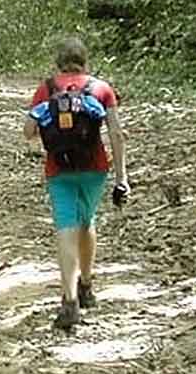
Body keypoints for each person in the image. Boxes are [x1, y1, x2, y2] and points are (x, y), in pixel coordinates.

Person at [23, 37, 129, 330]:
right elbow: (117, 135)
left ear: (58, 63)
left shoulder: (47, 88)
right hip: (95, 168)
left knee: (66, 228)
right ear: (86, 61)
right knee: (87, 220)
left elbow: (29, 131)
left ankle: (69, 301)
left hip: (59, 169)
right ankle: (86, 284)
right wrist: (122, 179)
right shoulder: (101, 88)